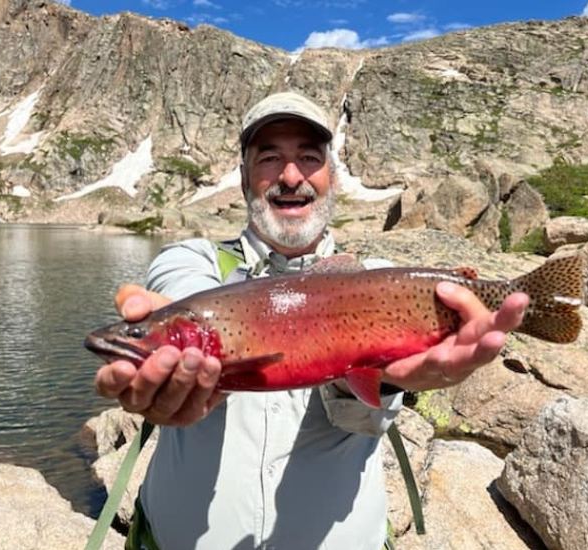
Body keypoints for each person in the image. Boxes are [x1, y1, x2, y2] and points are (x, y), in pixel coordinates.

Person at [94, 91, 528, 550]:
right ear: (244, 178)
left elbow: (364, 417)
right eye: (269, 158)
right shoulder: (192, 261)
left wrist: (378, 380)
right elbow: (181, 296)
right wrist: (167, 360)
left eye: (308, 157)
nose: (290, 175)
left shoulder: (377, 279)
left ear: (332, 177)